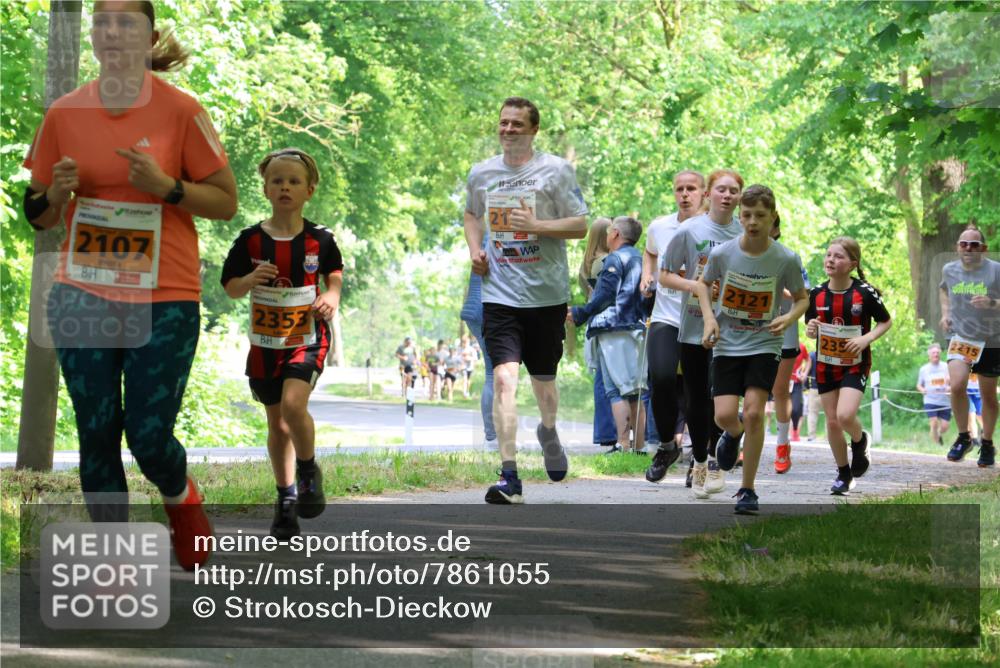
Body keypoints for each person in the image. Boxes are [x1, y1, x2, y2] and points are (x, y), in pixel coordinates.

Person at [23, 0, 238, 570]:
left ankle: (180, 496)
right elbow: (37, 212)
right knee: (96, 431)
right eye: (102, 20)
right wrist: (57, 196)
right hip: (83, 290)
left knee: (147, 435)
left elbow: (225, 200)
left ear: (148, 37)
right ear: (93, 35)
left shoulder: (181, 111)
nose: (112, 30)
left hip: (163, 296)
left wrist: (169, 187)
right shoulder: (64, 114)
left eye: (126, 21)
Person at [464, 96, 588, 504]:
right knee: (503, 379)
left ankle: (549, 431)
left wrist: (537, 225)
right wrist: (475, 251)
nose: (509, 129)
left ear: (534, 130)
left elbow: (581, 225)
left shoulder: (556, 170)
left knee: (544, 385)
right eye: (504, 123)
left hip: (546, 295)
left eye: (518, 123)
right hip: (499, 293)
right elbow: (471, 215)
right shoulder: (482, 173)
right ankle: (509, 475)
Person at [221, 147, 342, 538]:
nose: (285, 187)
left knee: (294, 406)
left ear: (309, 189)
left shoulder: (320, 239)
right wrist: (249, 281)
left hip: (306, 337)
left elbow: (334, 276)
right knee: (278, 424)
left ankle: (308, 471)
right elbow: (231, 288)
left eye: (293, 181)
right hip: (266, 342)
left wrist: (332, 296)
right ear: (266, 189)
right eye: (277, 181)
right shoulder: (250, 241)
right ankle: (286, 498)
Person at [696, 185, 808, 513]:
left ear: (772, 217)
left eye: (760, 215)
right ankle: (732, 435)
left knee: (756, 412)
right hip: (728, 343)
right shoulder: (723, 254)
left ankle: (747, 489)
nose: (753, 222)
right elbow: (703, 284)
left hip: (764, 342)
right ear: (739, 216)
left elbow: (802, 298)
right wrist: (708, 320)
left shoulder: (784, 257)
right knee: (725, 415)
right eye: (746, 215)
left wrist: (787, 318)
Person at [661, 169, 744, 498]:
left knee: (720, 398)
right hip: (694, 325)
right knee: (695, 397)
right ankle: (697, 459)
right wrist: (695, 285)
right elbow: (665, 275)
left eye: (733, 191)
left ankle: (713, 460)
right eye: (721, 190)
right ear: (708, 194)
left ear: (740, 197)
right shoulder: (690, 230)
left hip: (732, 329)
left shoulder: (744, 232)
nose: (727, 196)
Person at [805, 236, 892, 495]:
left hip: (855, 363)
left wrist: (866, 339)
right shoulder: (816, 294)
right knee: (832, 422)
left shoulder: (864, 293)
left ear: (852, 263)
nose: (831, 259)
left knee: (844, 416)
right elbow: (811, 328)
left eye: (839, 256)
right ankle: (844, 474)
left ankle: (859, 438)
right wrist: (810, 329)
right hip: (825, 363)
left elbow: (885, 321)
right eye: (829, 254)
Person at [642, 171, 706, 483]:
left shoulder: (715, 229)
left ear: (703, 194)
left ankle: (701, 456)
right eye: (679, 189)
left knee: (698, 390)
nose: (684, 194)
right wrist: (646, 274)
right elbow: (651, 251)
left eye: (691, 189)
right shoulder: (659, 226)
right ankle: (667, 446)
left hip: (701, 320)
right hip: (665, 316)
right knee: (662, 377)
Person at [570, 216, 648, 454]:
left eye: (609, 232)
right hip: (635, 327)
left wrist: (579, 313)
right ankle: (639, 447)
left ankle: (623, 445)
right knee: (636, 389)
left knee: (616, 389)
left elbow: (604, 296)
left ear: (615, 233)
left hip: (614, 329)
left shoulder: (615, 259)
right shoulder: (641, 258)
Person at [938, 225, 999, 467]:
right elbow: (944, 290)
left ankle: (987, 443)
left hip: (992, 339)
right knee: (957, 384)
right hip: (962, 336)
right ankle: (964, 437)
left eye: (974, 244)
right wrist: (946, 314)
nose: (968, 248)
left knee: (988, 396)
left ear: (983, 248)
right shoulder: (949, 270)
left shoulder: (995, 271)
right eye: (963, 244)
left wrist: (992, 303)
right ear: (957, 247)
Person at [768, 217, 810, 474]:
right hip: (747, 331)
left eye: (763, 220)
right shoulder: (735, 254)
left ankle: (783, 443)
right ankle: (737, 439)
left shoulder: (789, 258)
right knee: (745, 389)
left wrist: (775, 286)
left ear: (775, 229)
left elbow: (802, 296)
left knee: (780, 390)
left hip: (784, 332)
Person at [578, 217, 617, 447]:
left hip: (596, 319)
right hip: (607, 320)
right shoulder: (604, 262)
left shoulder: (589, 262)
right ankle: (607, 432)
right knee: (606, 377)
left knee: (603, 377)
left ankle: (606, 432)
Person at [460, 269, 498, 450]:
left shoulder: (480, 242)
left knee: (493, 372)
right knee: (495, 373)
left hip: (473, 309)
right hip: (487, 309)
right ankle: (492, 438)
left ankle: (492, 436)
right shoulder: (497, 242)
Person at [916, 343, 951, 446]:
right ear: (929, 355)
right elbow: (918, 385)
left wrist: (950, 386)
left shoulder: (946, 366)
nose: (936, 354)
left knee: (945, 427)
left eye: (937, 352)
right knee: (934, 422)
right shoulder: (924, 369)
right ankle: (936, 445)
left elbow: (952, 380)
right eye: (933, 353)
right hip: (930, 400)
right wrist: (922, 390)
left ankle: (937, 434)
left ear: (940, 353)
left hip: (945, 401)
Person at [804, 344, 822, 440]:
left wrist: (806, 386)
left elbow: (807, 372)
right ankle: (830, 436)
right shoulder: (829, 355)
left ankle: (812, 435)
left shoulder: (811, 356)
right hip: (828, 388)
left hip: (814, 388)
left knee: (812, 413)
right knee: (830, 413)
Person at [967, 371, 983, 445]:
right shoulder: (963, 362)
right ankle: (974, 440)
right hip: (967, 392)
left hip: (979, 392)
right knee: (971, 415)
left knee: (981, 417)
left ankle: (983, 436)